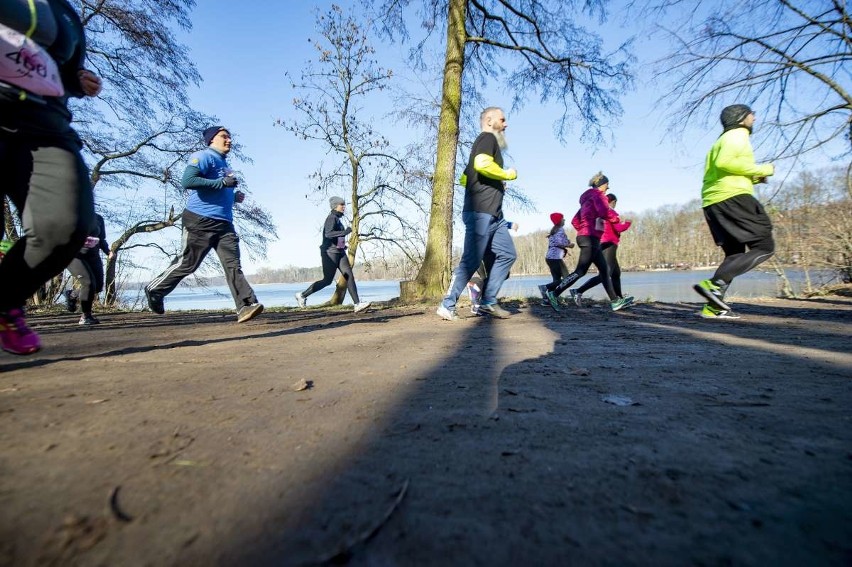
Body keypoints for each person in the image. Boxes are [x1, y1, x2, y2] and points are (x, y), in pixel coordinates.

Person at [0, 0, 102, 354]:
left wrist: (79, 82)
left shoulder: (65, 13)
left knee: (65, 225)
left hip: (45, 125)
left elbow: (65, 69)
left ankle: (5, 301)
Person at [144, 126, 263, 323]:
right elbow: (188, 180)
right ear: (211, 140)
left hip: (224, 223)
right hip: (199, 220)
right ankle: (155, 289)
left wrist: (233, 197)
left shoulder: (225, 164)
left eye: (230, 137)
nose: (229, 140)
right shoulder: (203, 156)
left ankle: (245, 305)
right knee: (188, 264)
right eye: (224, 136)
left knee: (233, 265)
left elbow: (218, 188)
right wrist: (221, 184)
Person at [693, 104, 775, 319]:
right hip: (733, 198)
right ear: (741, 118)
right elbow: (726, 163)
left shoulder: (719, 141)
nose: (754, 119)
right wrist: (763, 169)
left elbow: (721, 169)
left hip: (713, 201)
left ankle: (713, 307)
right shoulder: (737, 134)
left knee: (735, 254)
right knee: (765, 247)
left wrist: (753, 178)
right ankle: (713, 286)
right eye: (751, 115)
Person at [437, 107, 518, 321]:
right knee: (471, 260)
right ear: (489, 120)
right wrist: (506, 174)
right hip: (480, 212)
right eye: (502, 119)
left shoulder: (488, 144)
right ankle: (447, 305)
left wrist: (495, 183)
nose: (506, 123)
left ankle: (488, 301)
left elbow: (465, 178)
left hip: (495, 216)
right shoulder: (486, 138)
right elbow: (481, 164)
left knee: (508, 254)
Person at [544, 173, 632, 312]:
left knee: (604, 271)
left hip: (591, 238)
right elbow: (604, 212)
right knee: (580, 271)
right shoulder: (598, 196)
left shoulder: (587, 200)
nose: (607, 188)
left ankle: (615, 301)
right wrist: (616, 220)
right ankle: (553, 293)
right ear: (601, 184)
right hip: (589, 238)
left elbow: (574, 220)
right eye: (607, 185)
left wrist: (584, 229)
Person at [294, 197, 371, 313]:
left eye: (344, 205)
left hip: (340, 252)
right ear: (335, 206)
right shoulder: (331, 218)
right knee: (327, 280)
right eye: (342, 205)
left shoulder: (339, 220)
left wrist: (342, 245)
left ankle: (357, 304)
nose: (344, 207)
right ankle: (302, 295)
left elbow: (338, 237)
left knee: (348, 275)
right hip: (329, 253)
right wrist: (344, 232)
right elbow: (328, 234)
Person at [569, 194, 633, 307]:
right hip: (609, 244)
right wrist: (627, 223)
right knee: (606, 274)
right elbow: (619, 228)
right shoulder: (610, 212)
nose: (615, 205)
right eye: (615, 203)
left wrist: (582, 229)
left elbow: (575, 221)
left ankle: (620, 298)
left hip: (602, 243)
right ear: (613, 201)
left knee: (616, 273)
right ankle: (578, 291)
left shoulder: (597, 211)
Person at [65, 213, 114, 325]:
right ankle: (85, 316)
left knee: (97, 286)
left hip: (93, 256)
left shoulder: (98, 218)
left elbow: (101, 239)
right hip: (74, 256)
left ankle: (72, 294)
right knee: (88, 283)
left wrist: (108, 252)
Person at [537, 212, 574, 304]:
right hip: (555, 258)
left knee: (556, 280)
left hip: (551, 257)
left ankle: (548, 300)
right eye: (563, 218)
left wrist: (566, 244)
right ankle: (545, 287)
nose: (564, 220)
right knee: (567, 279)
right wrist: (570, 245)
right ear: (559, 221)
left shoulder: (555, 230)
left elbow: (558, 241)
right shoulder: (560, 230)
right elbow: (559, 242)